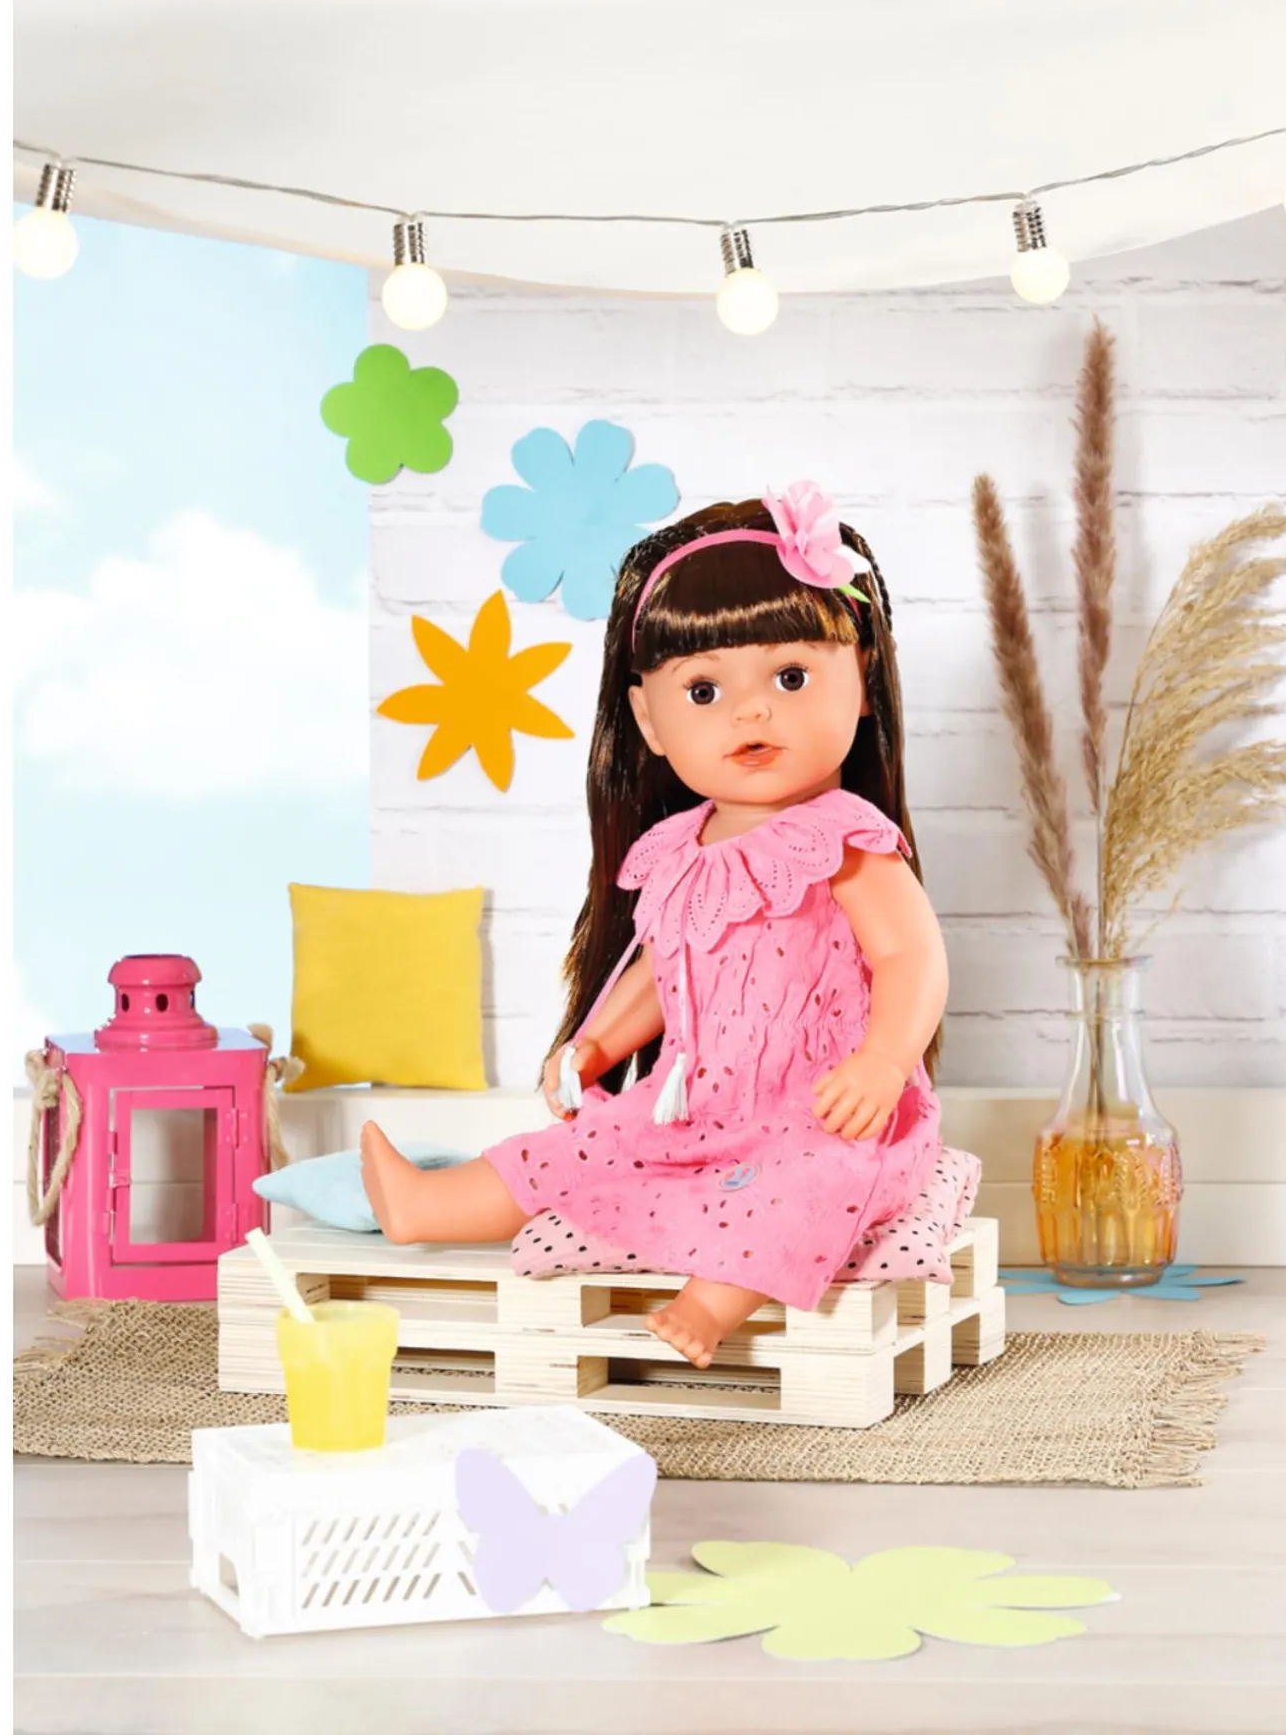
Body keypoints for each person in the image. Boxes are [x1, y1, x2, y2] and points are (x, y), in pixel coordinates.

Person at [360, 482, 949, 1368]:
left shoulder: (844, 840)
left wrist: (883, 1062)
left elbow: (912, 957)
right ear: (650, 720)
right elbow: (664, 975)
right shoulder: (678, 850)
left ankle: (710, 1304)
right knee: (585, 1143)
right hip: (698, 1105)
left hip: (822, 1111)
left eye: (790, 678)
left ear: (860, 683)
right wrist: (595, 1045)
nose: (752, 711)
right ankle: (427, 1207)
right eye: (704, 689)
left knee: (806, 1181)